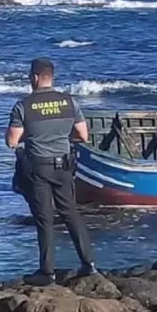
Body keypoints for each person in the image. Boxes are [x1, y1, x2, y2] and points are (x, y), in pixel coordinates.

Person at [6, 57, 96, 285]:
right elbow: (83, 136)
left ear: (35, 77)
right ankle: (88, 264)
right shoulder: (69, 102)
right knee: (71, 213)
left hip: (39, 166)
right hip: (64, 165)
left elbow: (12, 141)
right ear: (51, 76)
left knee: (44, 219)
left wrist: (34, 135)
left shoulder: (23, 106)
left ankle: (47, 272)